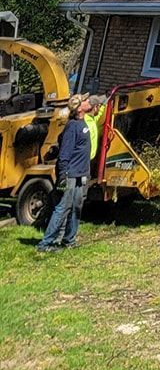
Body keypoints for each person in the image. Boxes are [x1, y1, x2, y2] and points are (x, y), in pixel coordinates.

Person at [37, 96, 92, 254]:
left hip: (81, 175)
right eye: (85, 100)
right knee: (62, 208)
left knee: (76, 208)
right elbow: (64, 155)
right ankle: (46, 243)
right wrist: (62, 177)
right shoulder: (72, 126)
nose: (89, 102)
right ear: (79, 108)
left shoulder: (82, 123)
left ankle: (69, 240)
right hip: (70, 175)